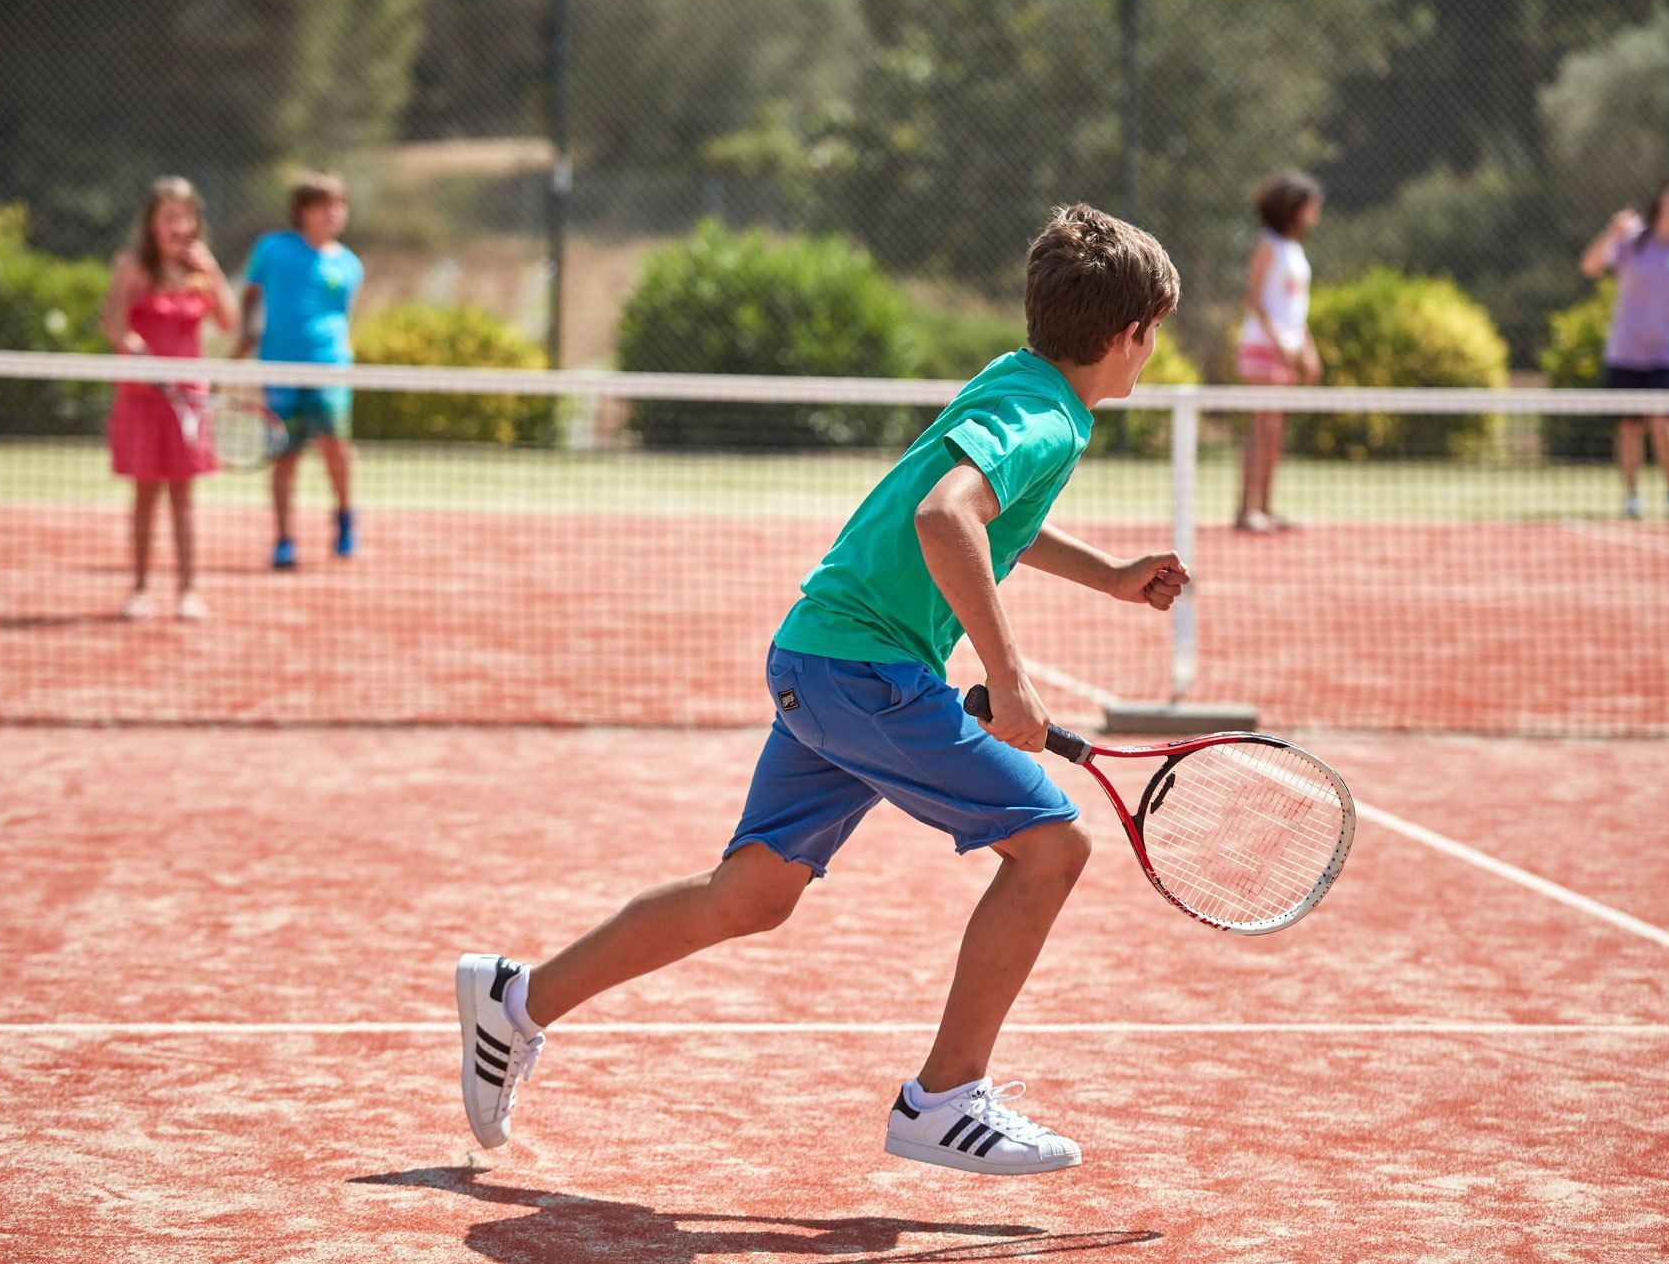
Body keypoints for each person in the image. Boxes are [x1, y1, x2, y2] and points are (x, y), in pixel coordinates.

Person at [455, 204, 1190, 1175]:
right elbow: (944, 514)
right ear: (1127, 333)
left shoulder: (1021, 382)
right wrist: (1008, 677)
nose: (1152, 354)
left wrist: (1106, 573)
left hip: (824, 658)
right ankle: (944, 1098)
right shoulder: (1051, 417)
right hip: (862, 672)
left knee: (749, 894)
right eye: (1156, 335)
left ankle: (517, 1000)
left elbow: (984, 512)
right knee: (1052, 847)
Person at [100, 176, 238, 622]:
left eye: (186, 215)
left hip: (188, 401)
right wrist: (133, 344)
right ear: (152, 223)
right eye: (169, 216)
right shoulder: (134, 267)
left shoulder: (201, 273)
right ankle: (139, 589)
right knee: (145, 496)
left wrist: (213, 270)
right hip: (142, 398)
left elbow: (229, 322)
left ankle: (188, 592)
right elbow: (112, 322)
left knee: (183, 498)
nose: (178, 224)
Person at [235, 173, 363, 568]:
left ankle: (344, 519)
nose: (334, 213)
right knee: (284, 456)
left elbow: (343, 317)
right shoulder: (272, 249)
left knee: (335, 449)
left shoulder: (349, 264)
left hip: (330, 370)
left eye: (339, 205)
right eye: (325, 205)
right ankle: (283, 538)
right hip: (279, 368)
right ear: (302, 211)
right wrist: (246, 336)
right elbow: (250, 295)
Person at [1578, 172, 1669, 520]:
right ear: (1663, 195)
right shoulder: (1633, 239)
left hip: (1666, 353)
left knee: (1662, 419)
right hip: (1626, 350)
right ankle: (1632, 497)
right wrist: (1612, 230)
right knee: (1629, 425)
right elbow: (1590, 265)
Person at [1234, 170, 1322, 533]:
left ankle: (1266, 508)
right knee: (1262, 426)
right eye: (1310, 206)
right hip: (1263, 348)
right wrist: (1281, 345)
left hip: (1286, 349)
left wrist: (1308, 350)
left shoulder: (1295, 249)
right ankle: (1245, 511)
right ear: (1294, 208)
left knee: (1276, 431)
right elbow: (1255, 300)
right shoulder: (1268, 245)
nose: (1316, 213)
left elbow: (1296, 310)